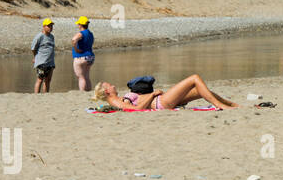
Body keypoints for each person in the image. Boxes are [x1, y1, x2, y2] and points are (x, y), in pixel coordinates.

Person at [92, 74, 238, 111]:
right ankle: (221, 105)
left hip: (161, 101)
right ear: (107, 91)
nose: (113, 85)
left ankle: (231, 104)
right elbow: (137, 109)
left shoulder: (118, 100)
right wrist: (152, 94)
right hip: (161, 103)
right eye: (109, 86)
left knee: (198, 90)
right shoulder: (118, 101)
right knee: (194, 78)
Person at [30, 18, 56, 94]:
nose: (50, 27)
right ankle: (36, 96)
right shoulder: (39, 36)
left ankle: (46, 95)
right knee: (40, 79)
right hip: (41, 62)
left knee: (48, 80)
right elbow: (33, 48)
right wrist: (35, 57)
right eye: (49, 26)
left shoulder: (52, 37)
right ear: (44, 26)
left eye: (51, 26)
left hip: (50, 62)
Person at [71, 16, 95, 92]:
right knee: (86, 76)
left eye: (78, 24)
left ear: (80, 25)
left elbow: (73, 40)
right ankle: (88, 91)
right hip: (90, 56)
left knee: (80, 77)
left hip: (81, 57)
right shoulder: (90, 33)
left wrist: (76, 49)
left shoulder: (81, 33)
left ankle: (82, 92)